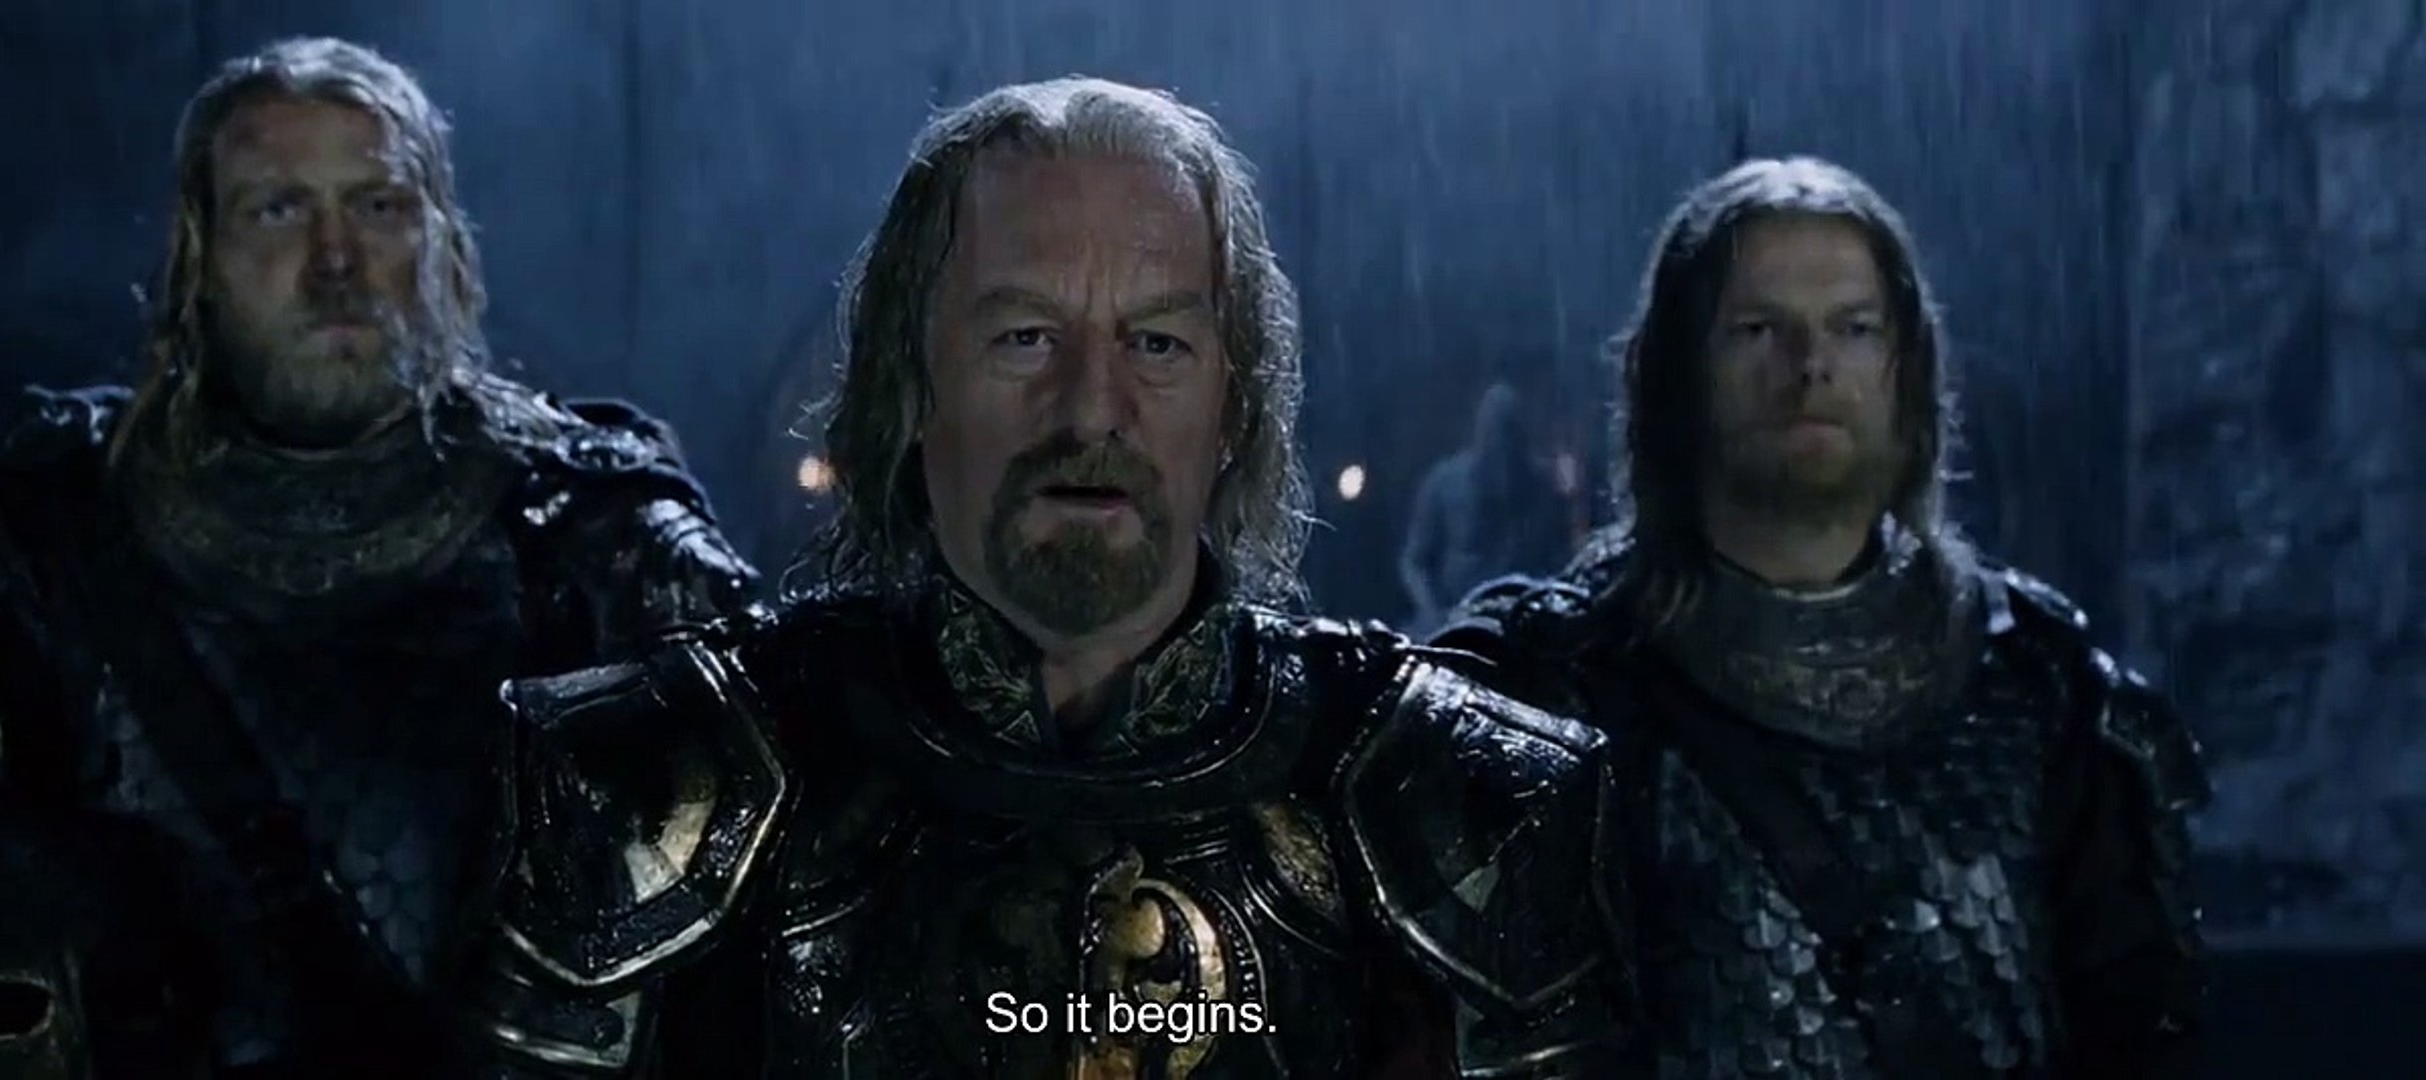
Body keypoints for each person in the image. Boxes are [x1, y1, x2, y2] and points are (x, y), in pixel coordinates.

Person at [472, 78, 1637, 1078]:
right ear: (909, 385)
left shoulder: (1457, 797)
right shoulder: (642, 782)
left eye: (1156, 343)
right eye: (1023, 338)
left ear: (1232, 405)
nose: (1090, 410)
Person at [0, 37, 757, 1075]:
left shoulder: (594, 535)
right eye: (278, 209)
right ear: (200, 254)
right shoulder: (33, 546)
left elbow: (768, 930)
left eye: (378, 205)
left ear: (441, 240)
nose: (335, 262)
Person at [1434, 157, 2210, 1079]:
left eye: (1853, 328)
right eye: (1758, 330)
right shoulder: (1553, 691)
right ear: (1678, 375)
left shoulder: (2044, 687)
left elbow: (2140, 1036)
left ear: (1904, 371)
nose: (1810, 367)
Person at [1399, 380, 1582, 632]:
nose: (1501, 441)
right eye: (1494, 429)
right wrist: (1432, 612)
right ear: (1479, 430)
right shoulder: (1444, 483)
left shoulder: (1544, 488)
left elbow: (1562, 560)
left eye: (1509, 430)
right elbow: (1414, 562)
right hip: (1453, 622)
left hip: (1526, 624)